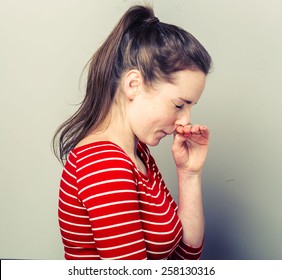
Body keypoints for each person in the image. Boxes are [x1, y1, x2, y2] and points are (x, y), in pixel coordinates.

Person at [53, 5, 212, 260]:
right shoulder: (104, 164)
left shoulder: (139, 154)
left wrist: (189, 174)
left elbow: (183, 260)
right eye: (179, 105)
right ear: (134, 85)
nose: (184, 122)